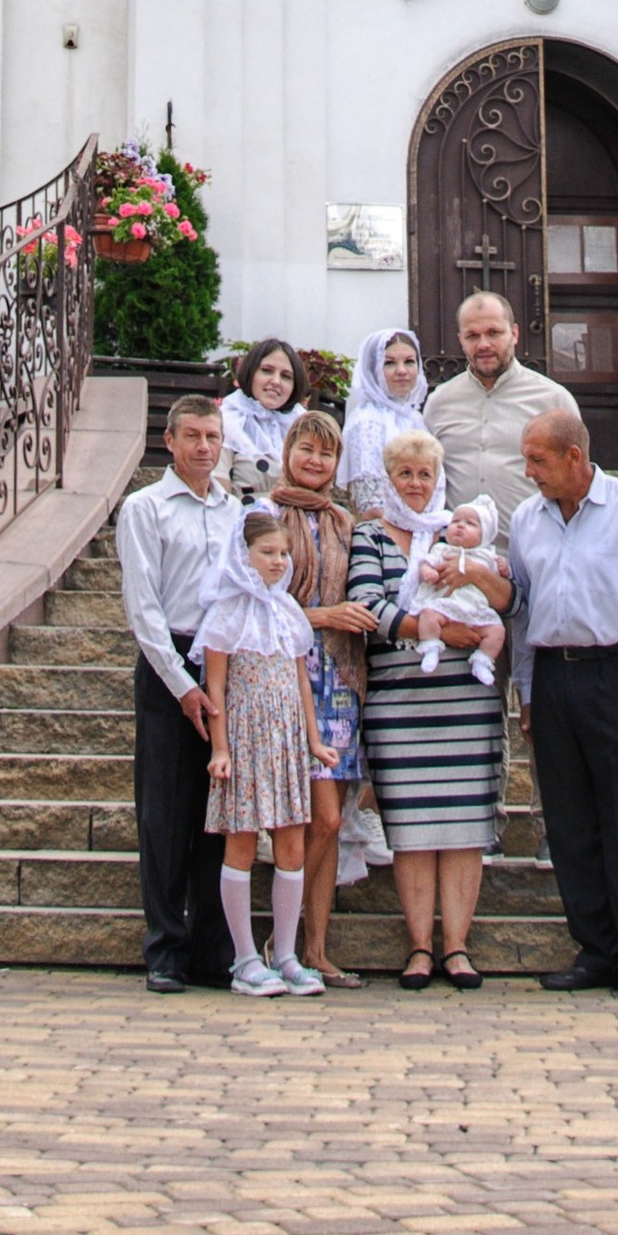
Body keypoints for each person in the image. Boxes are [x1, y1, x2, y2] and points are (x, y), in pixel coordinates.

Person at [508, 407, 618, 997]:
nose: (528, 469)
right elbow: (524, 611)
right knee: (568, 821)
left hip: (617, 675)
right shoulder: (526, 519)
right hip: (555, 680)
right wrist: (529, 691)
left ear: (574, 458)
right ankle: (593, 949)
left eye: (537, 459)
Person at [347, 423, 510, 990]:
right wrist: (427, 627)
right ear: (388, 479)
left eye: (425, 474)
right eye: (405, 474)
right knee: (412, 824)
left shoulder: (462, 534)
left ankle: (458, 947)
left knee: (463, 822)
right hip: (399, 698)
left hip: (465, 693)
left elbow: (506, 597)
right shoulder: (369, 534)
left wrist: (474, 594)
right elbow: (366, 604)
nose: (416, 484)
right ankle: (420, 947)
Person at [116, 394, 246, 991]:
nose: (203, 447)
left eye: (212, 437)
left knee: (218, 815)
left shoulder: (235, 510)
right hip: (169, 660)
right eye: (191, 436)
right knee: (166, 812)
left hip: (223, 661)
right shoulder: (145, 508)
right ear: (169, 441)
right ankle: (165, 947)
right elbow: (143, 607)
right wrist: (180, 686)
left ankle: (211, 951)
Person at [199, 503, 337, 997]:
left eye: (283, 553)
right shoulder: (227, 613)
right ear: (244, 555)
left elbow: (301, 680)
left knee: (292, 843)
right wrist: (220, 747)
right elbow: (215, 688)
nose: (278, 561)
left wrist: (314, 740)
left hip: (284, 743)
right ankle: (243, 958)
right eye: (267, 552)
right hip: (245, 739)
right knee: (240, 840)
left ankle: (285, 953)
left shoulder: (288, 612)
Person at [269, 404, 380, 984]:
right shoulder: (265, 515)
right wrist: (325, 614)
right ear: (288, 451)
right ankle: (279, 941)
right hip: (286, 676)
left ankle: (313, 948)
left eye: (326, 452)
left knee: (329, 821)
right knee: (320, 817)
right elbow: (259, 603)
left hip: (339, 678)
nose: (315, 460)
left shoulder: (345, 521)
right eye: (306, 449)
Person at [424, 292, 582, 512]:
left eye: (494, 333)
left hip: (533, 544)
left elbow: (577, 481)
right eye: (472, 336)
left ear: (514, 334)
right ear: (460, 340)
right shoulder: (438, 403)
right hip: (456, 544)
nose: (483, 344)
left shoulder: (553, 401)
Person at [392, 492, 507, 685]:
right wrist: (427, 571)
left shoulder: (488, 556)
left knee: (497, 630)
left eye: (470, 524)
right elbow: (425, 563)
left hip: (475, 609)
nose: (460, 525)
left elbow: (502, 579)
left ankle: (483, 660)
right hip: (445, 605)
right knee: (428, 614)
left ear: (484, 535)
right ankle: (430, 647)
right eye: (456, 521)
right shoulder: (441, 549)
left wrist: (504, 567)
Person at [340, 327, 430, 515]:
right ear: (374, 369)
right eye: (389, 363)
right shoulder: (368, 421)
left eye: (409, 362)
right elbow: (370, 503)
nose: (402, 371)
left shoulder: (413, 418)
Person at [219, 337, 303, 490]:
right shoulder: (227, 419)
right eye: (266, 370)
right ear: (251, 373)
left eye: (286, 376)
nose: (276, 381)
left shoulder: (302, 424)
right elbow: (217, 494)